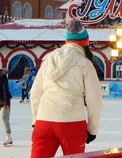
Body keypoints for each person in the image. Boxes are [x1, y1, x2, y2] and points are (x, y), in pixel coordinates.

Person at [30, 20, 102, 158]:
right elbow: (94, 99)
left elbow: (36, 92)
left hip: (44, 120)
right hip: (72, 122)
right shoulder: (85, 63)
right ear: (86, 41)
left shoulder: (49, 59)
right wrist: (92, 129)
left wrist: (36, 119)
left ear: (66, 40)